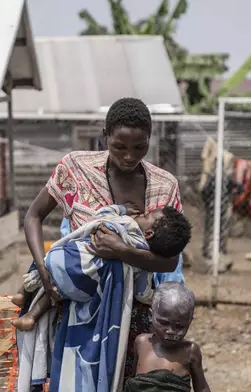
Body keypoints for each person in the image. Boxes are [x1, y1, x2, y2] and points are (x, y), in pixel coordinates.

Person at [21, 97, 186, 389]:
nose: (128, 156)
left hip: (135, 316)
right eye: (119, 146)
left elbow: (170, 260)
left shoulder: (165, 185)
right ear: (105, 136)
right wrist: (46, 276)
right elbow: (33, 216)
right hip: (76, 306)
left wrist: (123, 251)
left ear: (150, 139)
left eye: (140, 147)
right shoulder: (75, 168)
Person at [12, 205, 191, 331]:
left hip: (67, 260)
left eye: (145, 216)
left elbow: (102, 213)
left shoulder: (126, 224)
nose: (141, 215)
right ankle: (31, 317)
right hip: (83, 289)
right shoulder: (142, 259)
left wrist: (122, 209)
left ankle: (22, 293)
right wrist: (152, 297)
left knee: (49, 266)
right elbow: (142, 292)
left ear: (149, 233)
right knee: (59, 290)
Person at [125, 282, 211, 392]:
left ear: (189, 322)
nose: (171, 331)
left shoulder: (190, 351)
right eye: (164, 323)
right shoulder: (141, 342)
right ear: (151, 316)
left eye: (180, 326)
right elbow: (133, 382)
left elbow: (202, 388)